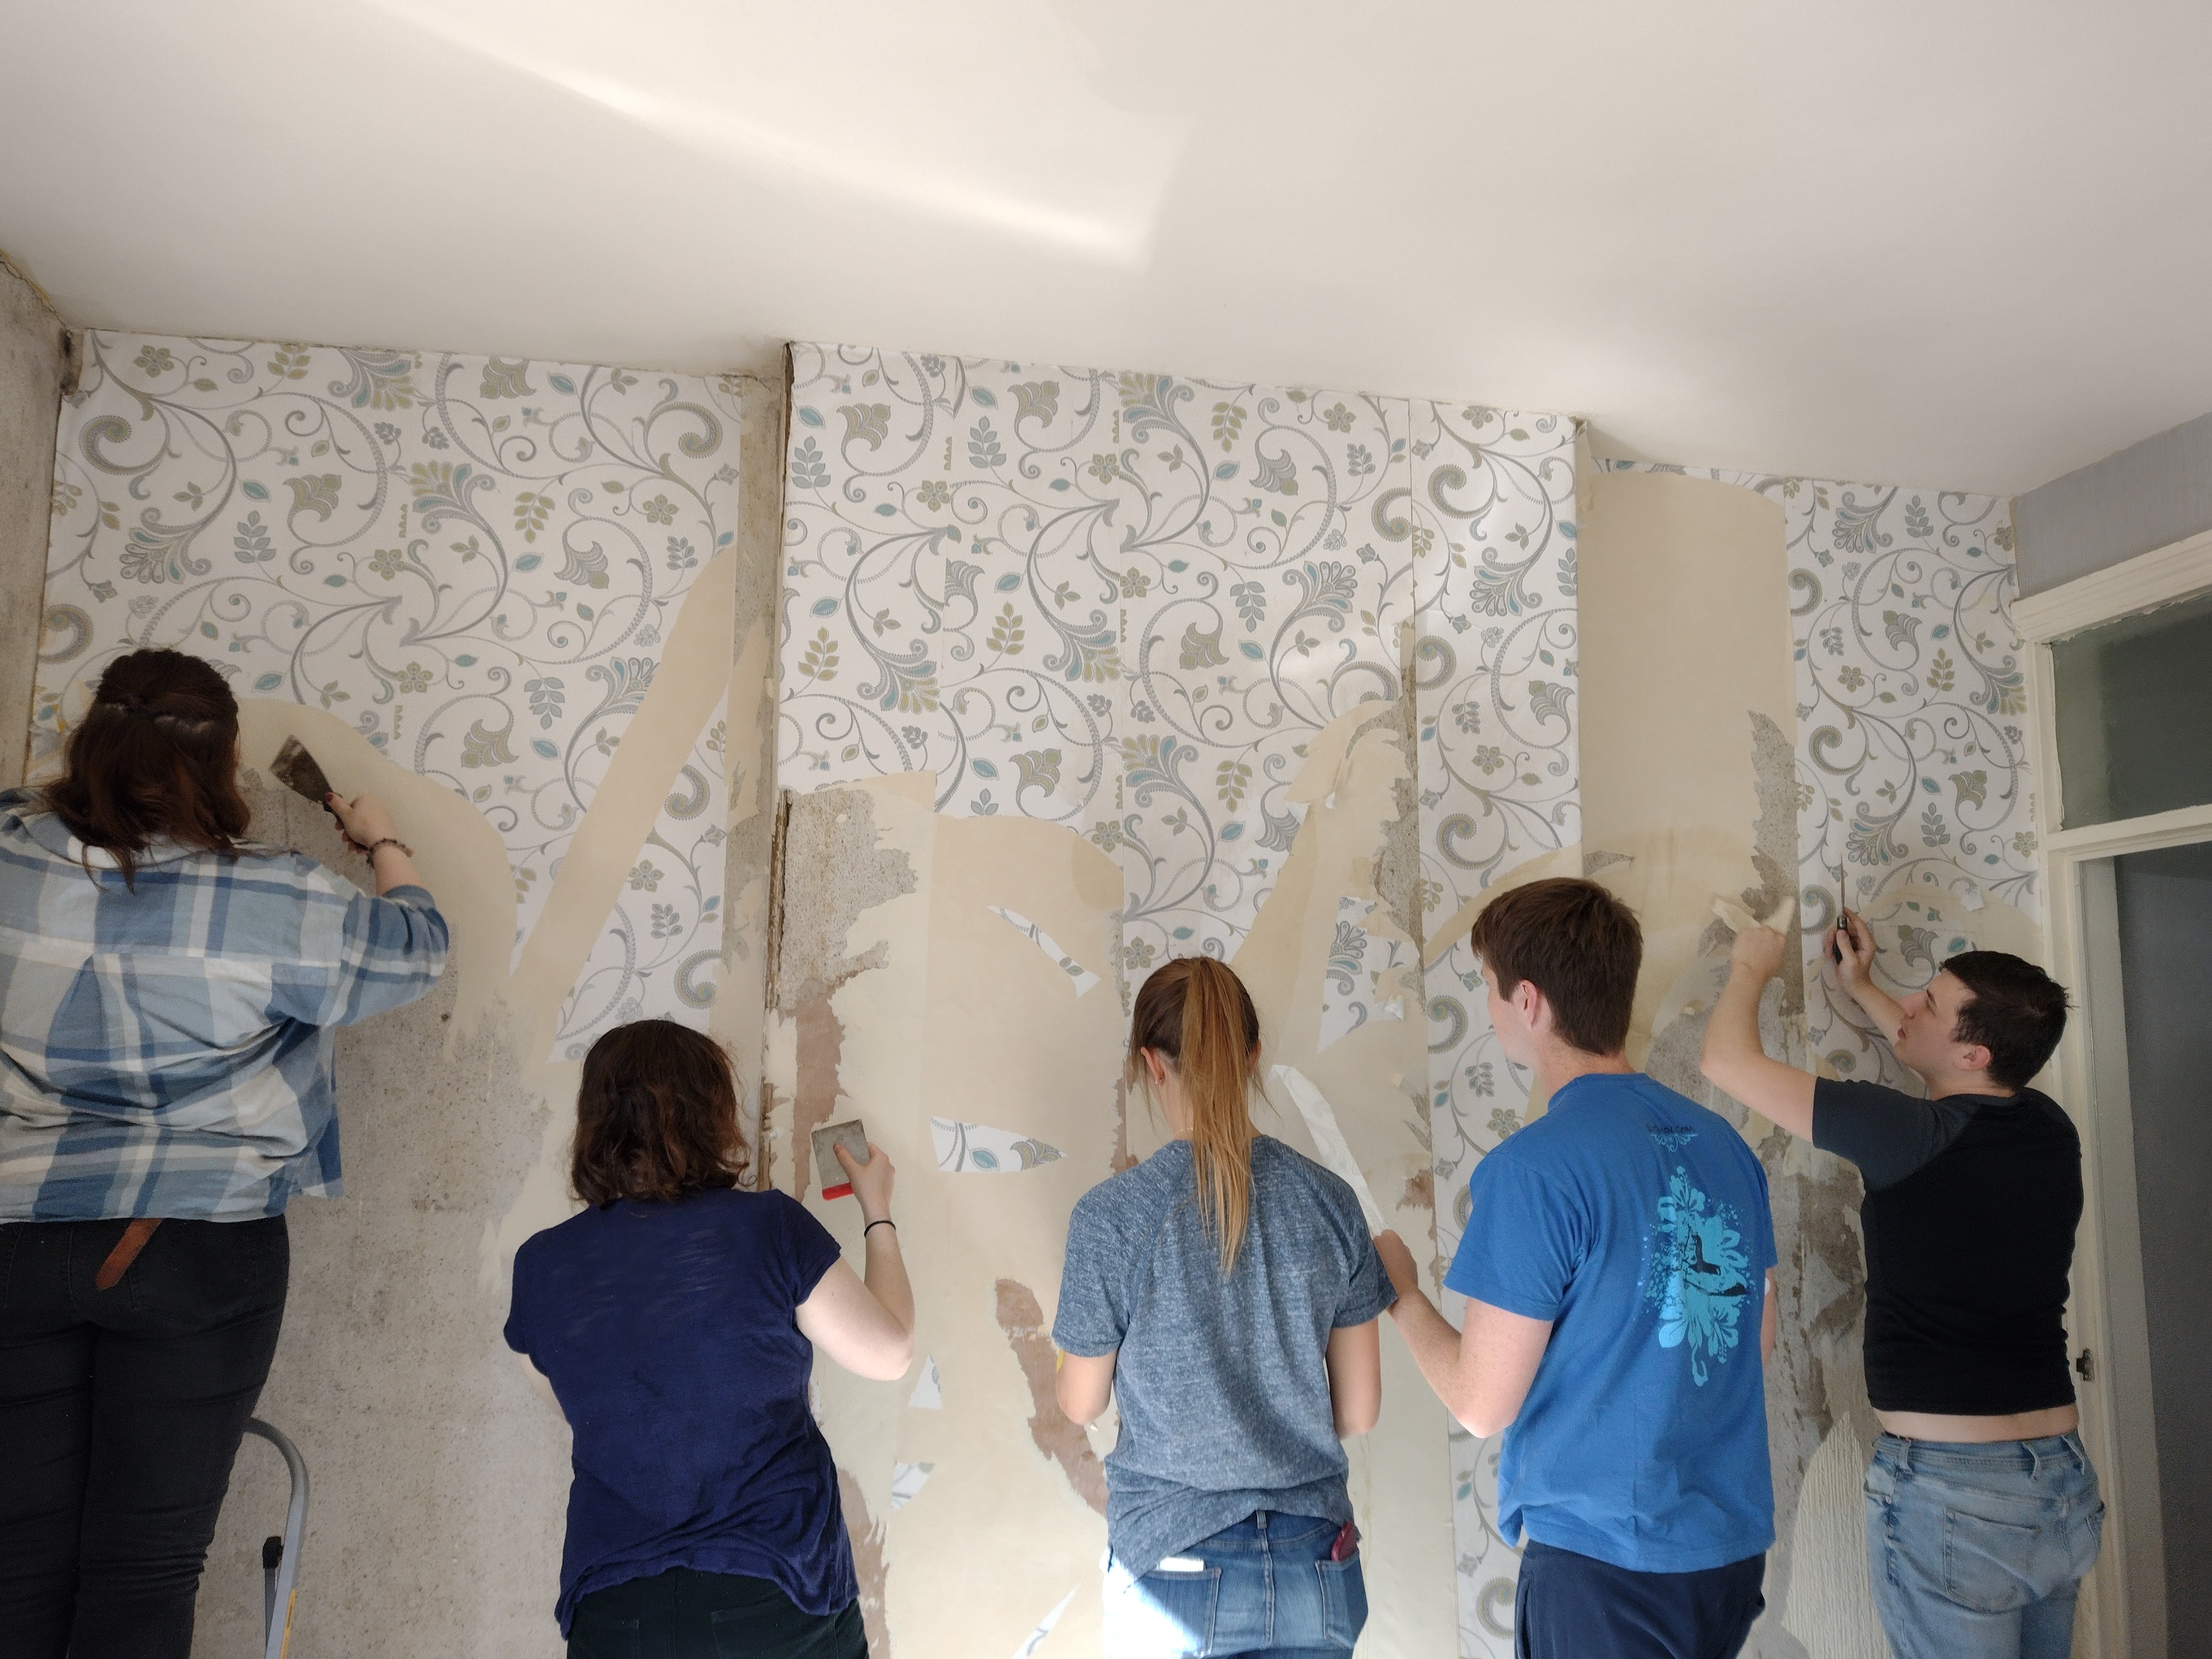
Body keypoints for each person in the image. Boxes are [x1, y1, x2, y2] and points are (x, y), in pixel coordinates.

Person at [0, 646, 450, 1658]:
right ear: (224, 763)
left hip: (17, 1239)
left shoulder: (8, 849)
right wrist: (383, 840)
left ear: (88, 740)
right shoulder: (277, 897)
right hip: (191, 1246)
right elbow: (416, 948)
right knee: (143, 1570)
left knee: (18, 1565)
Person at [1375, 877, 1777, 1659]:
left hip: (1607, 1567)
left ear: (1527, 1001)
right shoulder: (1724, 1147)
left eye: (1490, 987)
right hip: (1723, 1557)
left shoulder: (1534, 1171)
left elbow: (1480, 1405)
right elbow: (1748, 1345)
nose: (1490, 1007)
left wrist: (1405, 1297)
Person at [1701, 909, 2098, 1659]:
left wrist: (1751, 965)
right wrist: (1864, 988)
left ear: (1975, 1052)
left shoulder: (1909, 1135)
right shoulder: (2049, 1127)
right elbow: (1949, 1068)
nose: (1909, 1005)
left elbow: (1726, 1061)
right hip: (2059, 1484)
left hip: (1956, 1494)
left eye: (1929, 1003)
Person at [505, 1019, 914, 1658]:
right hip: (770, 1591)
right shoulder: (767, 1227)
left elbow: (571, 1402)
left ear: (594, 1123)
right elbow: (890, 1354)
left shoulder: (541, 1265)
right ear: (712, 1114)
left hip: (614, 1612)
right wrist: (877, 1210)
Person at [1053, 956, 1393, 1659]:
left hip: (1173, 1563)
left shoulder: (1111, 1218)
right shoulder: (1330, 1203)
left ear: (1152, 1064)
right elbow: (1358, 1413)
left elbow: (1081, 1403)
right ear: (1253, 1056)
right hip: (1316, 1566)